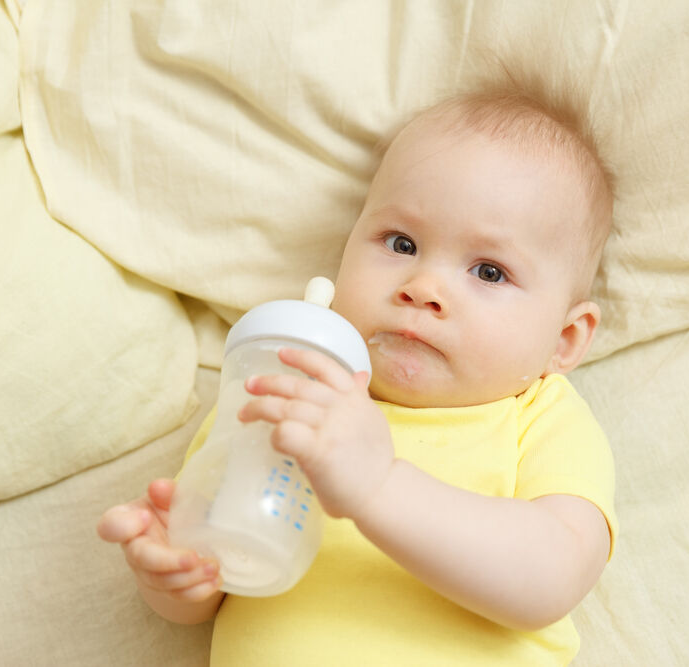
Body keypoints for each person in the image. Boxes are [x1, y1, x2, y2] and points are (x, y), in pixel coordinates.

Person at [98, 81, 617, 665]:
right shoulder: (285, 383)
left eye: (490, 272)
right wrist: (177, 574)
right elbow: (216, 583)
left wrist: (378, 485)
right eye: (401, 242)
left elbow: (551, 578)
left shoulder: (539, 418)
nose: (423, 289)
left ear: (565, 340)